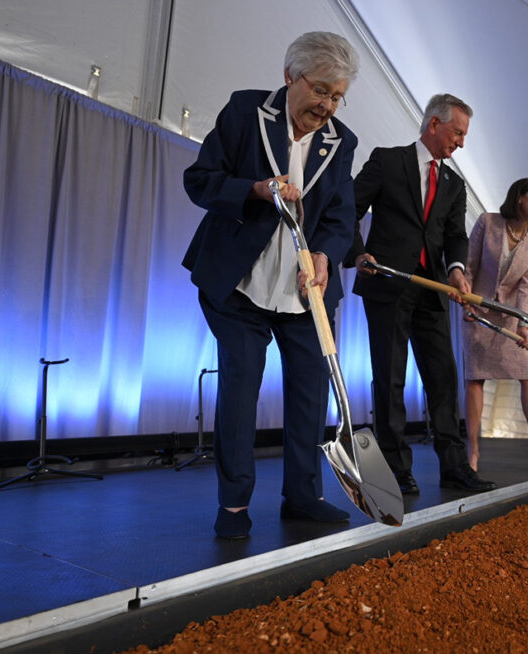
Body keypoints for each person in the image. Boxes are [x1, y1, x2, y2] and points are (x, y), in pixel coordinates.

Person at [182, 32, 360, 538]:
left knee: (311, 390)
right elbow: (201, 180)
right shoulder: (244, 112)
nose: (326, 105)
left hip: (304, 294)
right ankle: (233, 505)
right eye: (320, 90)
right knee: (241, 386)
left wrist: (327, 255)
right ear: (290, 76)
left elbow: (342, 216)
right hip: (239, 285)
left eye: (337, 96)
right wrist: (256, 190)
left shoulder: (341, 141)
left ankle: (303, 496)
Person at [346, 93, 496, 494]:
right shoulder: (387, 160)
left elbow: (453, 236)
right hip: (387, 284)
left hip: (430, 292)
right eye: (458, 133)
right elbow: (349, 209)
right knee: (390, 378)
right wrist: (357, 253)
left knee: (443, 377)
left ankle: (453, 466)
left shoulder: (453, 183)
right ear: (434, 124)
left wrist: (458, 270)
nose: (461, 143)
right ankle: (396, 469)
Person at [462, 178, 528, 474]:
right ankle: (473, 450)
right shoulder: (488, 222)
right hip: (476, 310)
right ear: (520, 196)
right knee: (475, 379)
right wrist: (467, 301)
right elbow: (469, 265)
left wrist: (522, 323)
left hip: (510, 315)